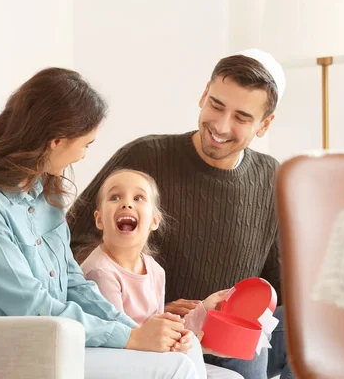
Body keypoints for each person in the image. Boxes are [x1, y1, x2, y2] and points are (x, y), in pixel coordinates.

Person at [0, 67, 201, 379]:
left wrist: (138, 330)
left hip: (56, 340)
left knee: (187, 349)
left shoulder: (46, 197)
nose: (82, 156)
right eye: (86, 144)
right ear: (57, 140)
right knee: (175, 366)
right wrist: (131, 338)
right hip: (7, 349)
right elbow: (30, 306)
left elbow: (73, 283)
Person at [68, 49, 293, 379]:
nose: (220, 125)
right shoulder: (144, 157)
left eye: (241, 117)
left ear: (264, 125)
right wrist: (149, 307)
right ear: (204, 94)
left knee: (312, 328)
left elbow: (277, 286)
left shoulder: (272, 179)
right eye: (216, 105)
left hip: (225, 332)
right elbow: (69, 246)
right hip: (162, 336)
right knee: (249, 355)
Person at [79, 168, 236, 378]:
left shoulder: (155, 270)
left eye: (138, 197)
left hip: (149, 350)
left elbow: (162, 328)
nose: (126, 203)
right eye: (115, 197)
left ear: (154, 220)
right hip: (118, 356)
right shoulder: (100, 272)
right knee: (189, 352)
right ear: (99, 220)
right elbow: (118, 339)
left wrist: (204, 309)